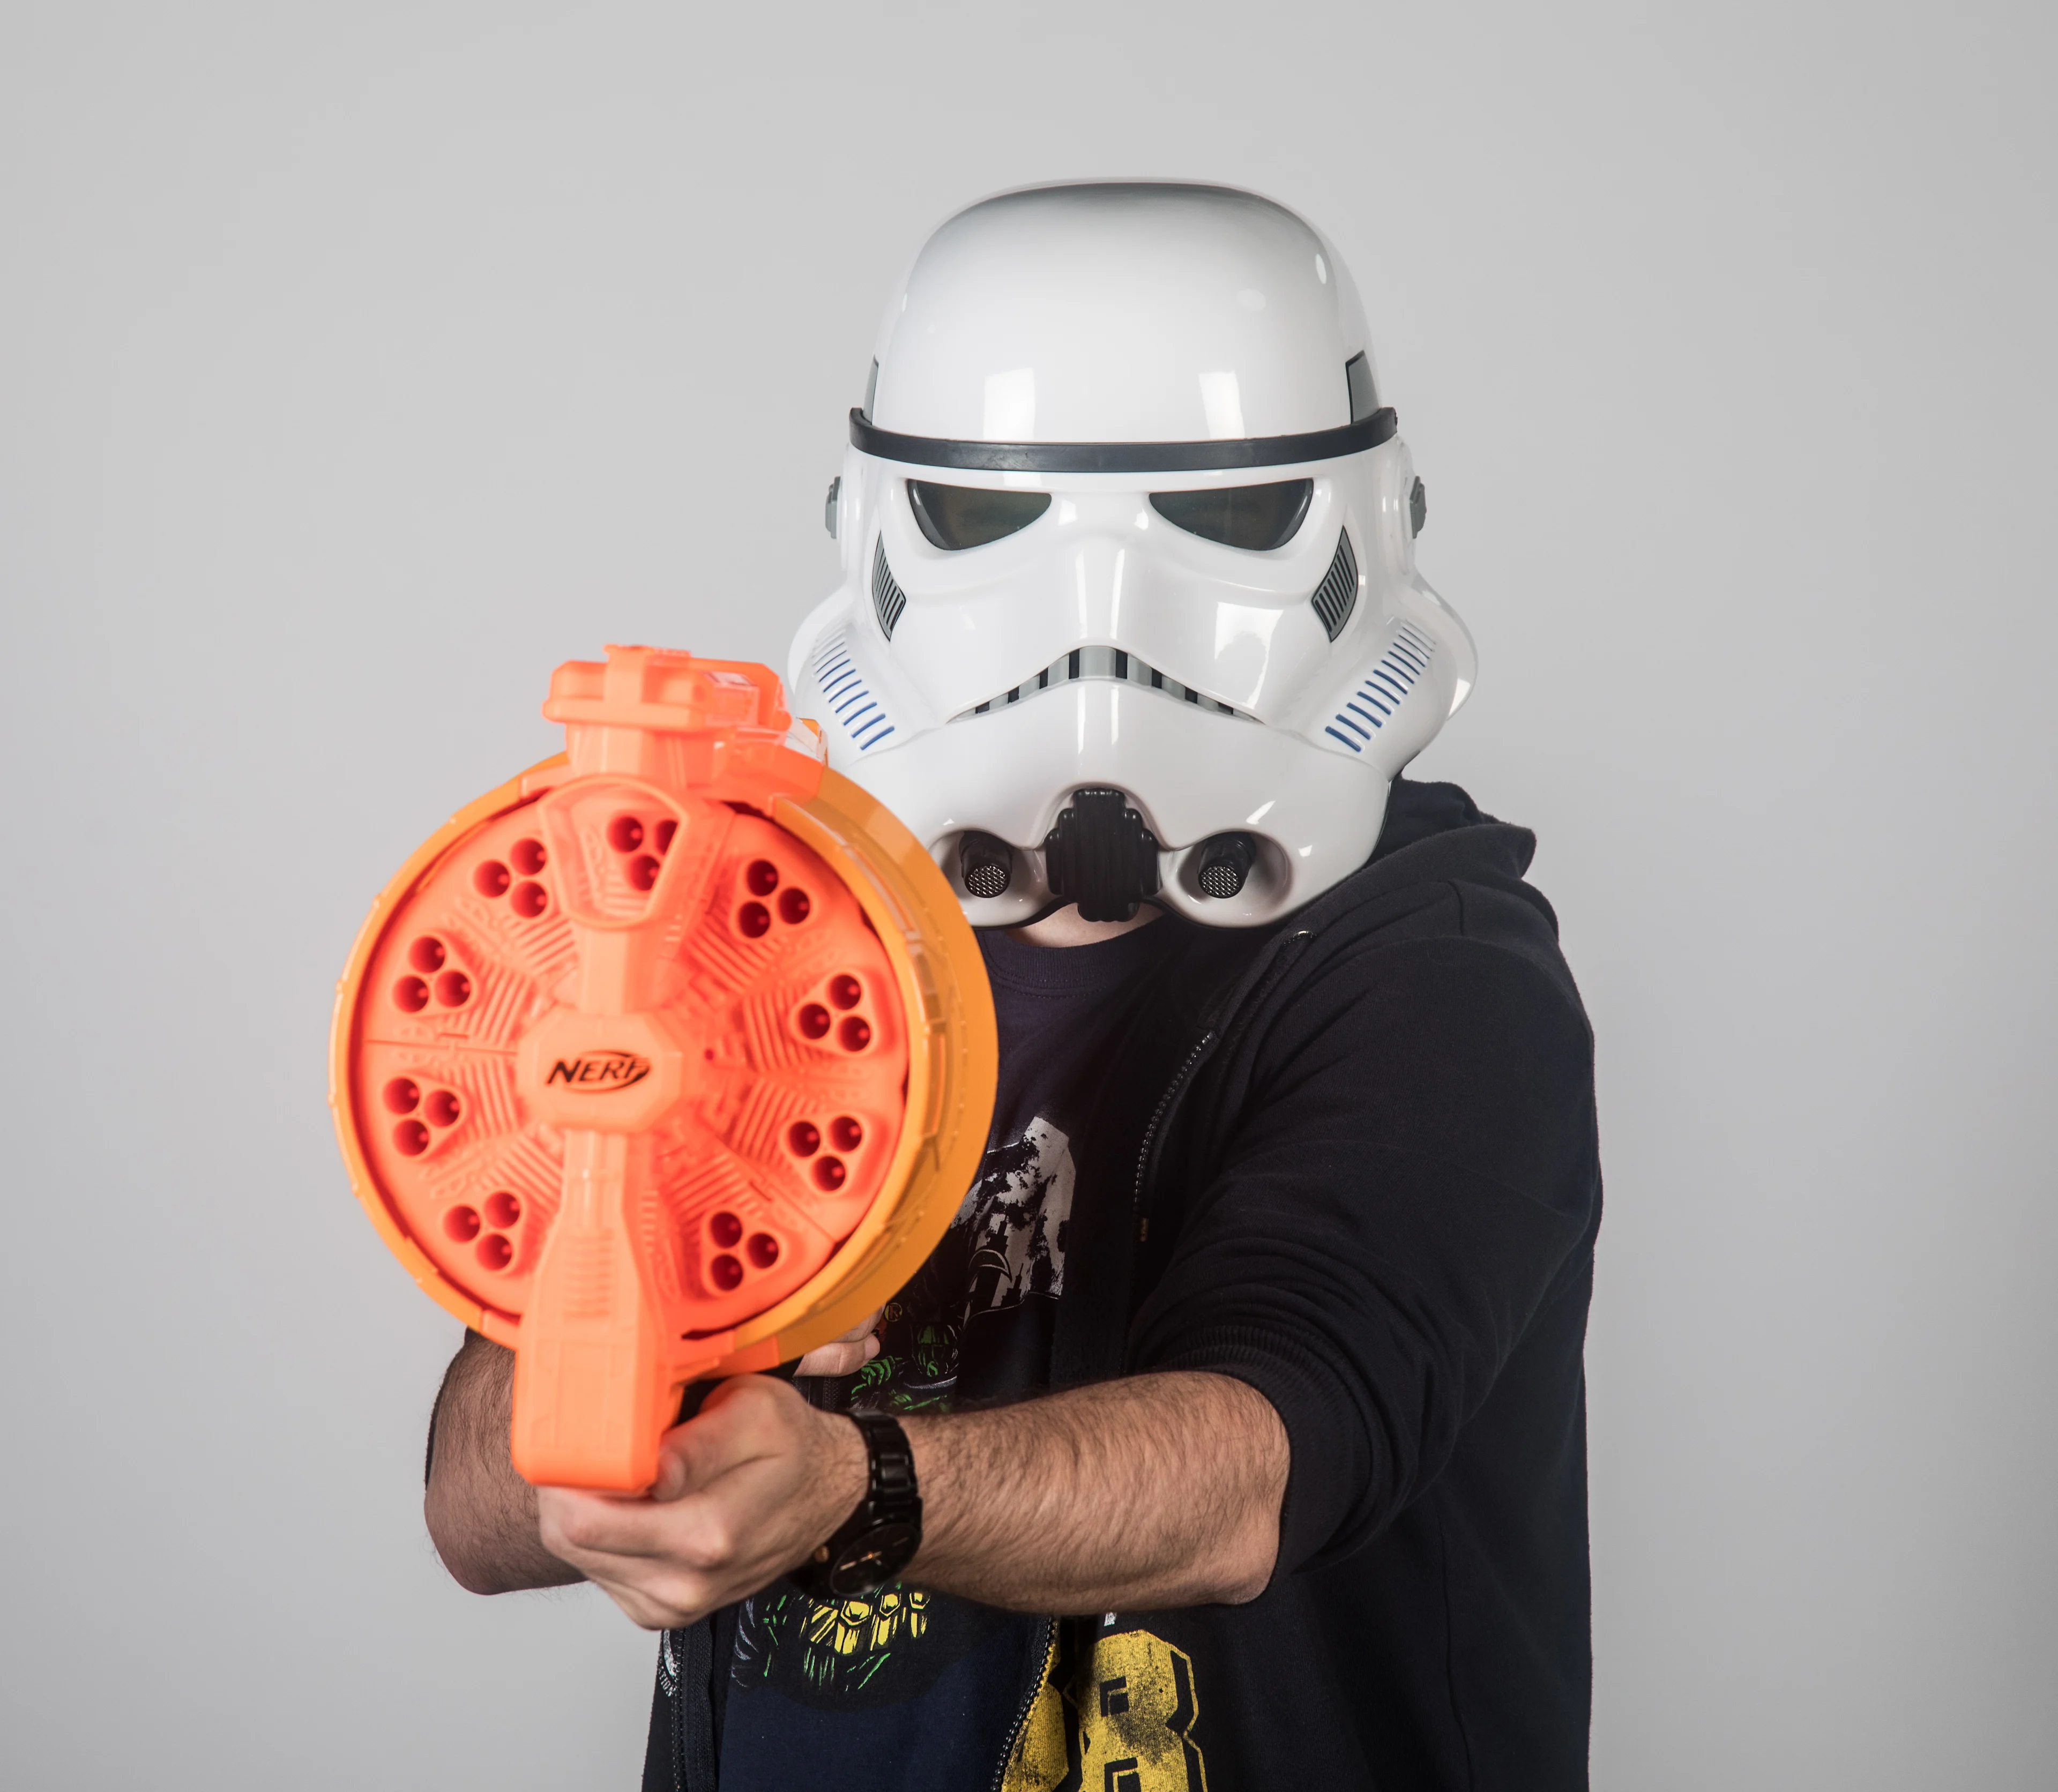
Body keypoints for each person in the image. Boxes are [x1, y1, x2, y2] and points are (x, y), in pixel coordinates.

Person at [424, 182, 1600, 1792]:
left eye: (1225, 518)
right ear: (872, 525)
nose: (1100, 625)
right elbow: (479, 1509)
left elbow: (1254, 1476)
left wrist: (851, 1492)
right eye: (993, 524)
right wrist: (644, 1289)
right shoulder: (760, 941)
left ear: (1365, 526)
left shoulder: (1438, 972)